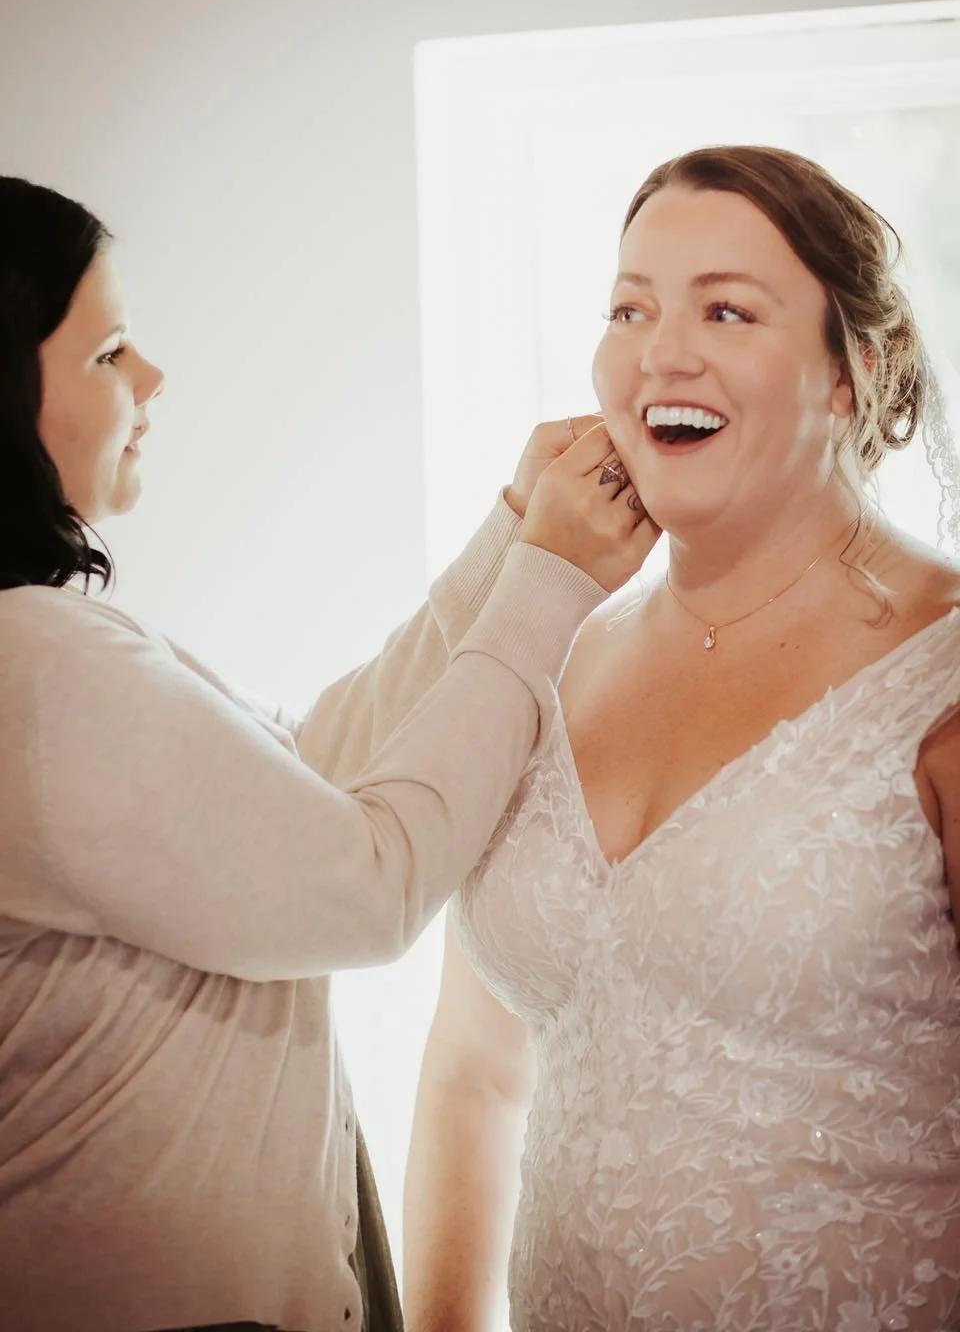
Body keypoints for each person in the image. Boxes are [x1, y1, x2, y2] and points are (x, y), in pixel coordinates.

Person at [0, 173, 661, 1332]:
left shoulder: (50, 649)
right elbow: (363, 882)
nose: (152, 378)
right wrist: (547, 587)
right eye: (108, 354)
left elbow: (303, 783)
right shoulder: (33, 663)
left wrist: (512, 532)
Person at [403, 145, 960, 1332]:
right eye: (629, 306)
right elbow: (473, 1072)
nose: (662, 349)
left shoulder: (944, 670)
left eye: (726, 308)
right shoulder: (542, 657)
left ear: (852, 372)